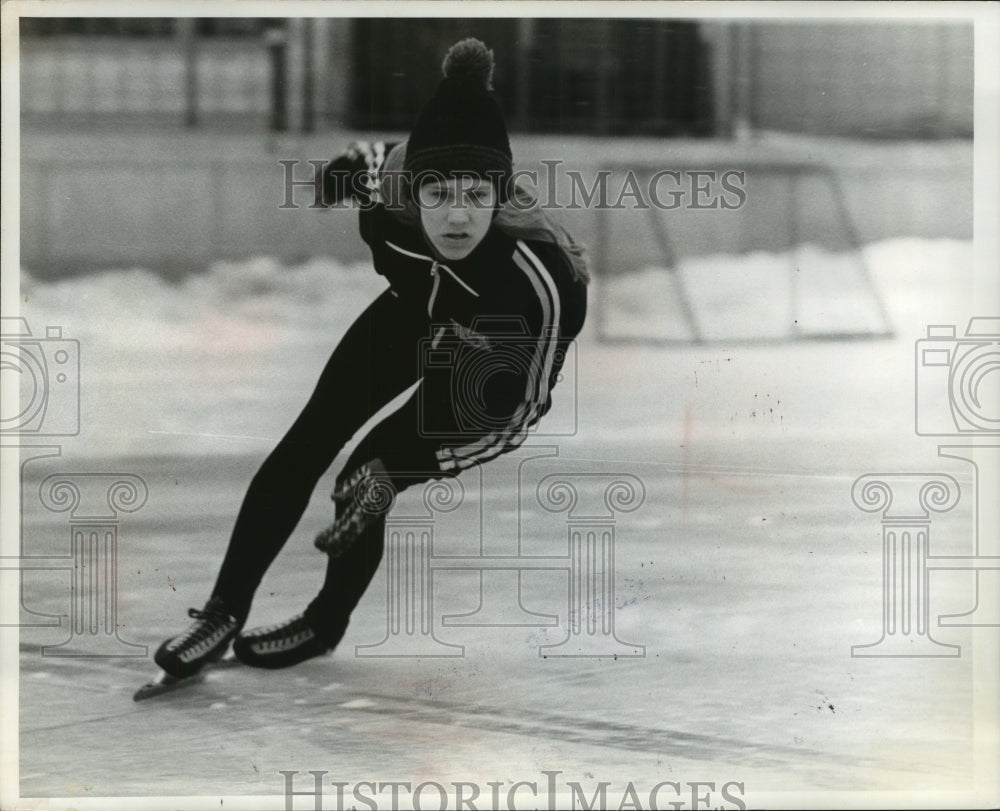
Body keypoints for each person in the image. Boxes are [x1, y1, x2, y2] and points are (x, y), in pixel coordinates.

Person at [154, 38, 589, 676]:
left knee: (364, 474)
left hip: (486, 359)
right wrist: (348, 163)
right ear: (410, 194)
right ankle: (223, 611)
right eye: (437, 194)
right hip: (417, 307)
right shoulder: (384, 194)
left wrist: (402, 470)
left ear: (504, 197)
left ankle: (325, 622)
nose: (459, 216)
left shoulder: (538, 283)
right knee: (306, 442)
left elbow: (518, 411)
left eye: (477, 195)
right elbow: (377, 157)